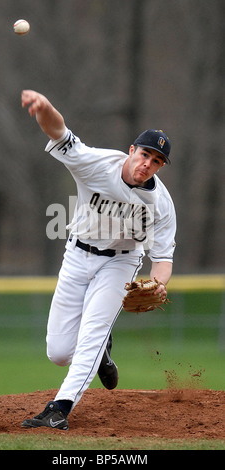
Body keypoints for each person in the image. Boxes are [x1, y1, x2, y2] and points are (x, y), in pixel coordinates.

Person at [21, 90, 176, 430]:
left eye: (157, 161)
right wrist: (45, 108)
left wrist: (158, 284)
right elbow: (58, 132)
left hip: (121, 263)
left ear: (160, 166)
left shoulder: (161, 204)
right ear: (132, 150)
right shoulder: (96, 163)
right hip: (77, 254)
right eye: (145, 154)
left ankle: (60, 408)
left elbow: (163, 257)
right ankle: (102, 352)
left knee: (90, 333)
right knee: (59, 352)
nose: (147, 164)